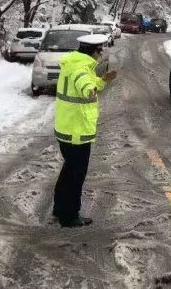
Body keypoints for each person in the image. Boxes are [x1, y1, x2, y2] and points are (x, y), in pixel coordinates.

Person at [52, 34, 117, 227]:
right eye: (100, 50)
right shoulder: (81, 68)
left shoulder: (74, 63)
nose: (102, 53)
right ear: (93, 51)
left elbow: (87, 83)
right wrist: (92, 86)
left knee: (68, 171)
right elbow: (85, 87)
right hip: (76, 132)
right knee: (76, 175)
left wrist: (102, 80)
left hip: (67, 128)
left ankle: (60, 208)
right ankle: (69, 216)